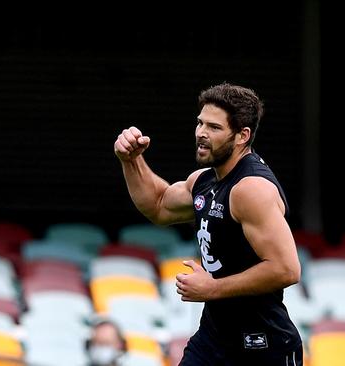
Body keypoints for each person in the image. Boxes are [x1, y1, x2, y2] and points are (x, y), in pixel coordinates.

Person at [114, 82, 303, 365]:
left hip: (262, 345)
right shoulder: (205, 180)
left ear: (242, 136)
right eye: (200, 123)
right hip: (213, 339)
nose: (201, 133)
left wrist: (212, 289)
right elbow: (159, 206)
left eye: (214, 128)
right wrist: (131, 161)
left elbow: (286, 269)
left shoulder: (251, 189)